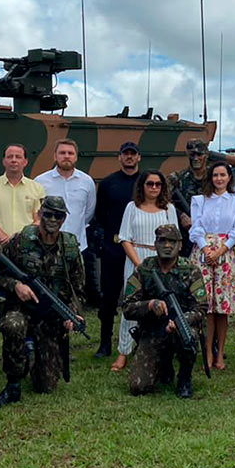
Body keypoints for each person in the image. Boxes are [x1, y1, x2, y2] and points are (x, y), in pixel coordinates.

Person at [0, 196, 85, 409]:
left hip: (49, 314)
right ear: (39, 215)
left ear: (63, 219)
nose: (52, 220)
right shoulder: (21, 240)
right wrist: (15, 286)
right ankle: (13, 383)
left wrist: (73, 314)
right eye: (48, 214)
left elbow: (77, 288)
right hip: (19, 308)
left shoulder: (70, 247)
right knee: (13, 325)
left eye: (57, 216)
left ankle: (29, 354)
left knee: (46, 386)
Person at [0, 144, 46, 376]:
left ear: (25, 161)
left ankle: (28, 349)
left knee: (29, 304)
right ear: (3, 161)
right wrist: (7, 241)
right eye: (9, 156)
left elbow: (39, 221)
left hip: (26, 259)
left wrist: (21, 242)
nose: (14, 160)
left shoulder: (36, 189)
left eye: (18, 157)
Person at [119, 224, 209, 398]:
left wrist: (180, 321)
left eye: (172, 242)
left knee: (188, 339)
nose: (167, 246)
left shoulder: (190, 271)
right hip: (152, 331)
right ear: (155, 244)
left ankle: (185, 377)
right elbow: (127, 307)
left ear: (180, 245)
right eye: (162, 241)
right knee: (138, 387)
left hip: (180, 327)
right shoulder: (145, 269)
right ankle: (164, 365)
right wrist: (150, 305)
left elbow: (201, 307)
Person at [115, 170, 181, 371]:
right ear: (142, 186)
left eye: (158, 184)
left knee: (162, 305)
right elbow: (124, 238)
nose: (154, 187)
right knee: (132, 305)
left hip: (162, 262)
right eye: (150, 184)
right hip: (136, 260)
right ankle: (123, 352)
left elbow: (175, 239)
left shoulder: (168, 208)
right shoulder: (132, 207)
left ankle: (162, 348)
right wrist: (139, 266)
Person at [191, 161, 235, 370]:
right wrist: (207, 249)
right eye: (215, 175)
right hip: (203, 252)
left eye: (223, 175)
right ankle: (207, 352)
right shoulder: (199, 200)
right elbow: (196, 229)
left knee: (222, 308)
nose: (219, 179)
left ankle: (220, 353)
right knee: (206, 307)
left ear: (229, 177)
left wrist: (221, 250)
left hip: (225, 254)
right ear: (210, 178)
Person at [93, 142, 143, 357]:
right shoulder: (108, 184)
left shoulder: (147, 183)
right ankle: (105, 344)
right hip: (114, 248)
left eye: (133, 154)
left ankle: (141, 342)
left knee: (141, 297)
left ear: (139, 157)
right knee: (109, 298)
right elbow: (100, 216)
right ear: (119, 157)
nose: (129, 158)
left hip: (140, 247)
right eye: (125, 154)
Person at [33, 138, 97, 301]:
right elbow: (36, 212)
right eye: (62, 153)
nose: (66, 156)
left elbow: (88, 212)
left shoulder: (87, 181)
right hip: (48, 246)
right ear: (55, 156)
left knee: (74, 292)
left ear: (76, 157)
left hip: (77, 246)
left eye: (70, 153)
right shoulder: (40, 181)